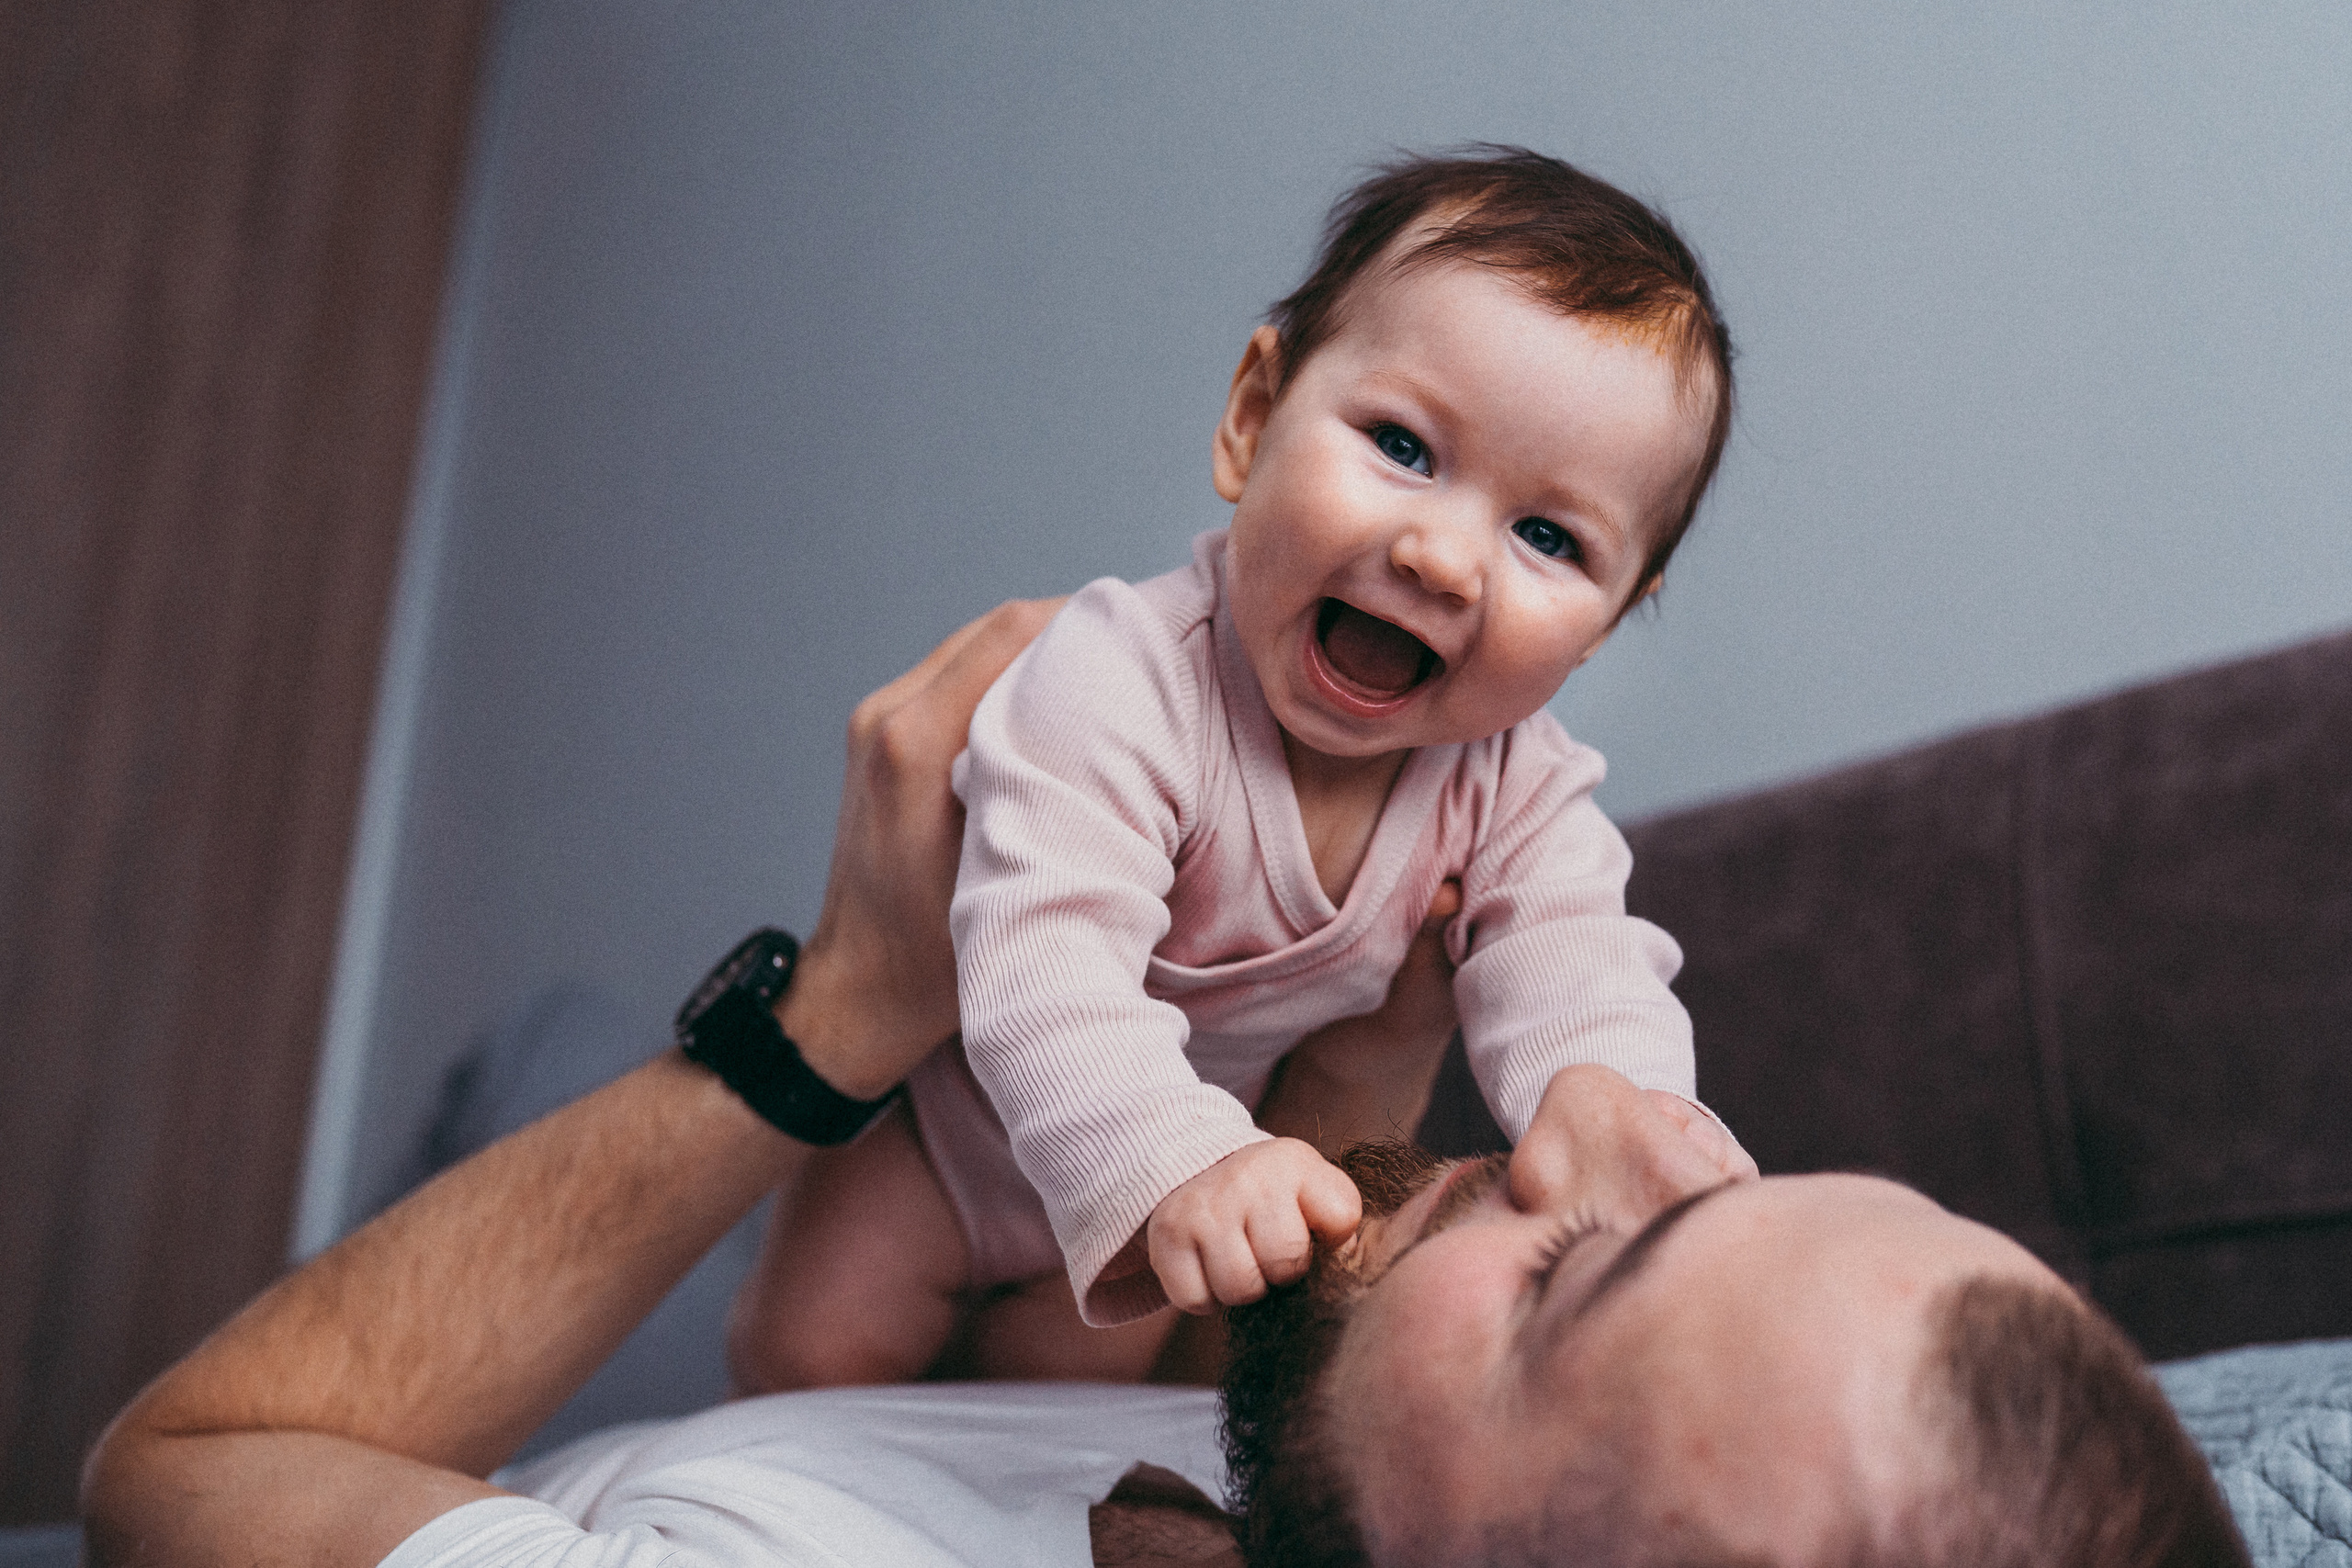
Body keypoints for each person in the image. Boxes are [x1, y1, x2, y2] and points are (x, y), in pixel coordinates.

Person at [82, 602, 2249, 1568]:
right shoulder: (1291, 1476)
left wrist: (831, 1009)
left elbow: (180, 1467)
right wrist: (1343, 1081)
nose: (1514, 1164)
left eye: (1563, 1280)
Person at [731, 146, 1750, 1395]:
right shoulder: (1122, 675)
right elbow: (1043, 955)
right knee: (811, 1367)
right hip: (949, 1142)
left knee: (1052, 1437)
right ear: (1253, 418)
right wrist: (1175, 1157)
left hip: (1135, 1224)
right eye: (1404, 446)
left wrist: (1615, 1105)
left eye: (1547, 536)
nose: (1442, 556)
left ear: (1603, 623)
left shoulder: (1514, 786)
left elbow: (1573, 956)